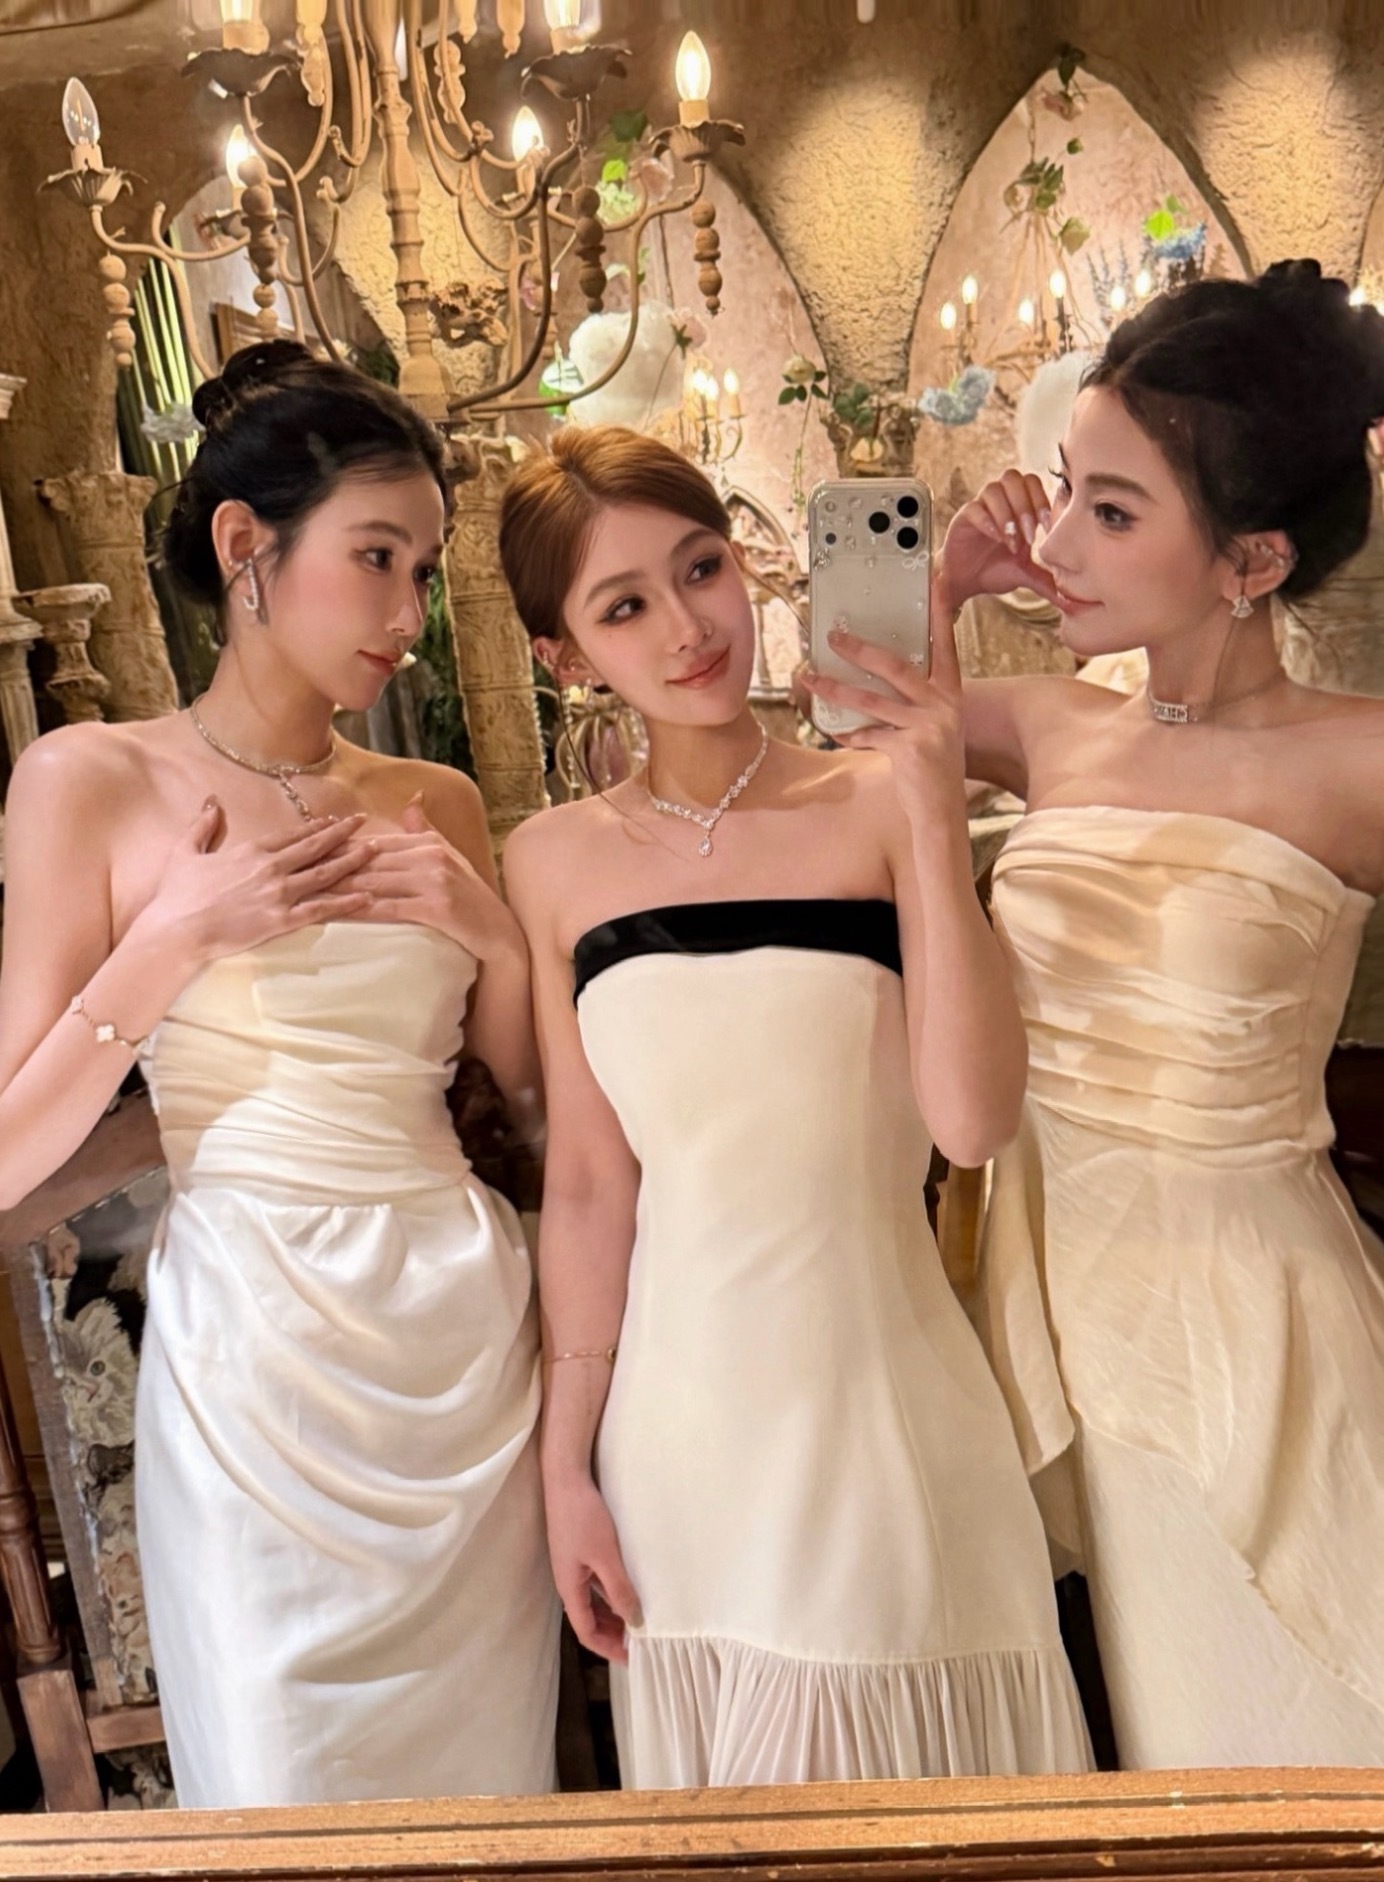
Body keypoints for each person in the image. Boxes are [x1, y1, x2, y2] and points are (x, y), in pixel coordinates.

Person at [813, 260, 1384, 1767]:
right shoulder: (1058, 726)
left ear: (1254, 560)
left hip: (1263, 1327)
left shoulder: (1358, 759)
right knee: (1176, 1777)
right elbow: (852, 724)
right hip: (1067, 1304)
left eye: (1113, 512)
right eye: (1063, 489)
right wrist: (940, 586)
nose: (1057, 541)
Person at [0, 341, 560, 1806]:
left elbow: (522, 1105)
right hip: (256, 1360)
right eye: (376, 559)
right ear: (247, 547)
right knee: (282, 1785)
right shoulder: (88, 780)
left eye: (422, 571)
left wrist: (496, 940)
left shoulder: (436, 800)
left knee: (490, 1812)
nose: (409, 615)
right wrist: (170, 943)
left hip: (458, 1338)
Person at [498, 426, 1092, 1790]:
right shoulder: (550, 863)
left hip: (881, 1417)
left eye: (700, 568)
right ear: (565, 656)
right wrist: (566, 1470)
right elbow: (588, 1183)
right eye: (623, 606)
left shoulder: (879, 796)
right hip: (676, 1449)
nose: (688, 626)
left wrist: (929, 806)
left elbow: (972, 1124)